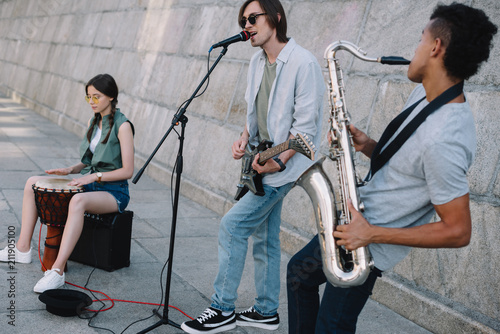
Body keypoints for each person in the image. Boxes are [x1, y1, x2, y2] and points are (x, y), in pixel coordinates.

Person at [286, 3, 497, 333]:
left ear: (436, 47)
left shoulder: (446, 136)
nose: (414, 49)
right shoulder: (425, 94)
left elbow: (458, 231)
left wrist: (370, 234)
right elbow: (408, 166)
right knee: (300, 274)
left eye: (419, 39)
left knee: (331, 326)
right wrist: (367, 144)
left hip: (369, 245)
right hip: (359, 223)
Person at [181, 0, 325, 333]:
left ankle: (222, 308)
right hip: (259, 161)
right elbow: (253, 109)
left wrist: (277, 163)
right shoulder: (257, 61)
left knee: (232, 226)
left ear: (275, 17)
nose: (246, 25)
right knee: (266, 239)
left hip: (284, 168)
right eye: (243, 20)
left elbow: (304, 130)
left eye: (252, 18)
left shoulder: (303, 63)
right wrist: (243, 139)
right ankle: (266, 310)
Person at [0, 73, 135, 293]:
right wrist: (71, 170)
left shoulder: (123, 126)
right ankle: (22, 249)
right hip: (92, 183)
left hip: (114, 192)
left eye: (96, 97)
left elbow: (127, 171)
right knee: (32, 182)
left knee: (77, 201)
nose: (91, 102)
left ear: (111, 96)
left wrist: (94, 176)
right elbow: (89, 161)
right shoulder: (96, 121)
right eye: (88, 97)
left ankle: (57, 271)